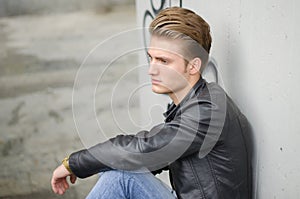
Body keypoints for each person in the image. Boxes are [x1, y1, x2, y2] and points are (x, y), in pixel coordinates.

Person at [51, 7, 252, 199]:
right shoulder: (200, 100)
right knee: (118, 167)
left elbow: (145, 148)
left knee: (121, 177)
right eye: (151, 58)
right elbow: (153, 156)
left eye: (163, 61)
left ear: (193, 66)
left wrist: (73, 164)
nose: (151, 70)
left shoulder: (207, 112)